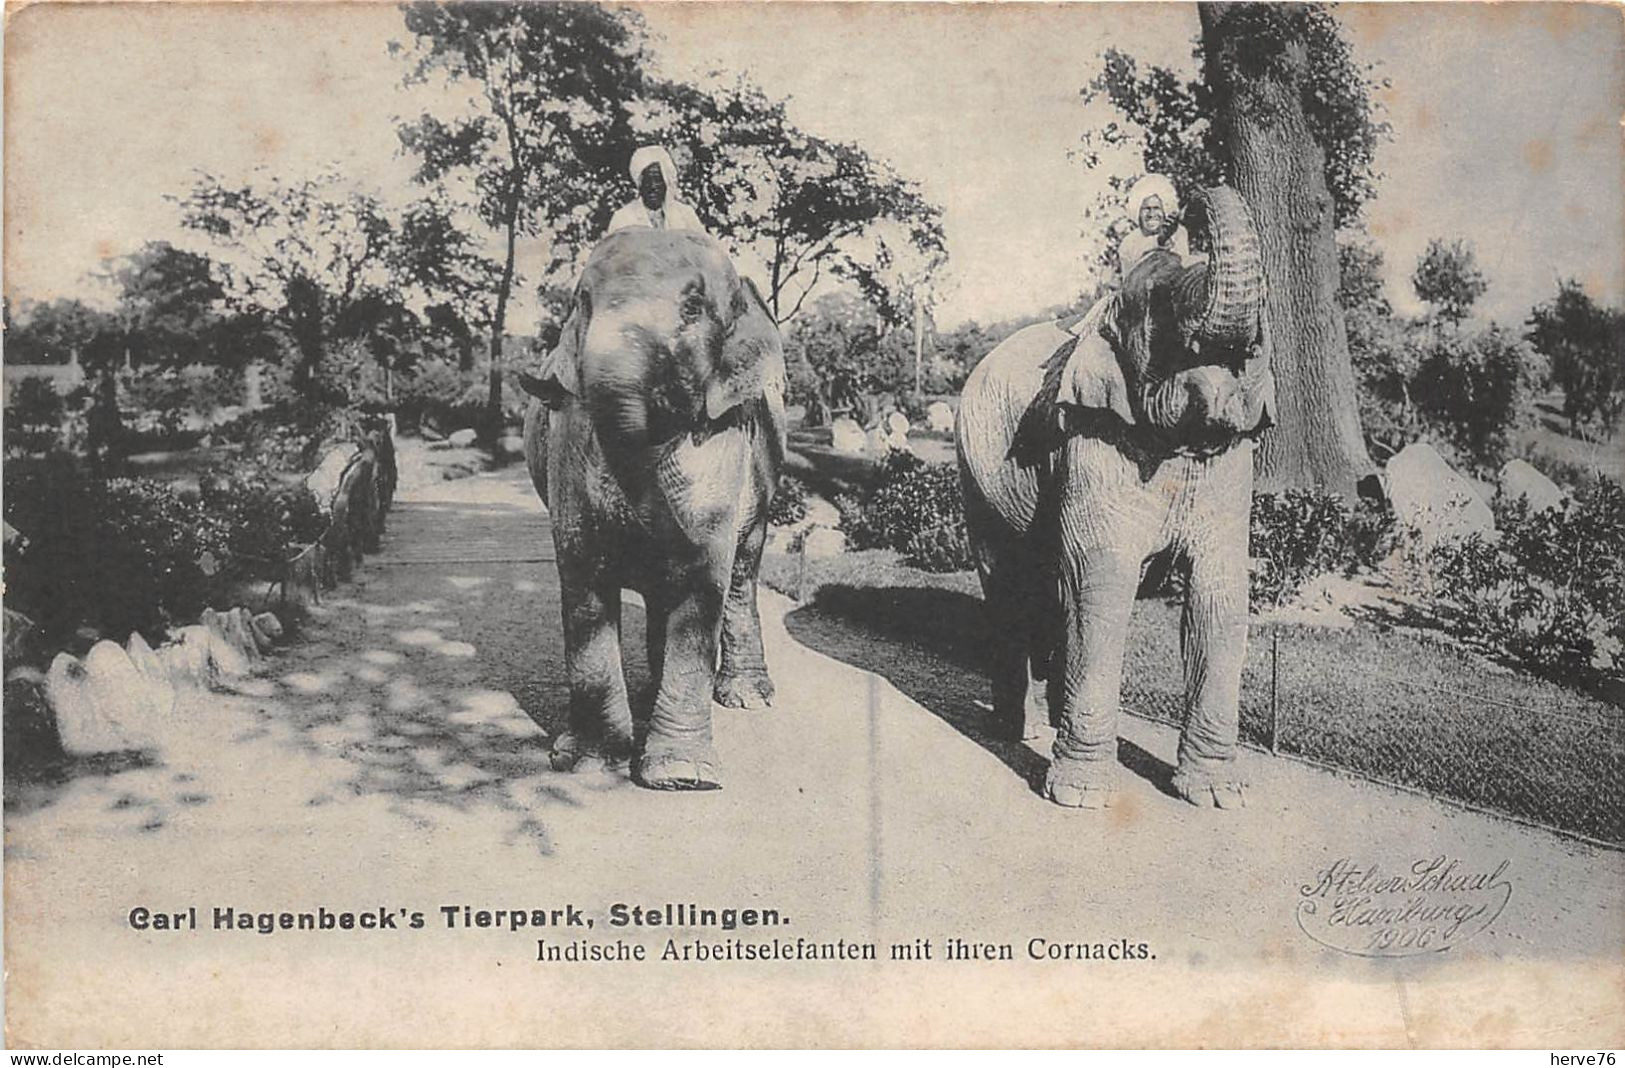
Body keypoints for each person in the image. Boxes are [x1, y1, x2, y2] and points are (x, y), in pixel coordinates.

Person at [606, 145, 707, 236]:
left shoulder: (685, 214)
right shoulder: (623, 218)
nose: (653, 186)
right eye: (647, 181)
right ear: (639, 184)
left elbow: (704, 249)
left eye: (658, 180)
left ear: (665, 183)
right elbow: (612, 254)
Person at [1115, 173, 1189, 277]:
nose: (1151, 214)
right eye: (1146, 209)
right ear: (1138, 213)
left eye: (1156, 208)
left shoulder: (1178, 234)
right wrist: (1160, 239)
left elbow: (1183, 269)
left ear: (1164, 211)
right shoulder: (1128, 243)